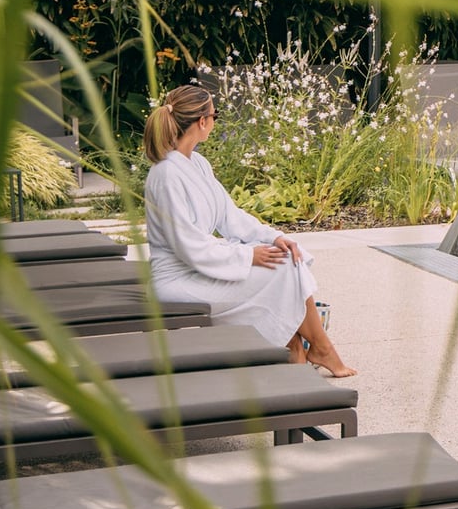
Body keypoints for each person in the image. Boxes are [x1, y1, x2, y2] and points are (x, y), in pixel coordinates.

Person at [141, 84, 356, 377]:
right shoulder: (165, 175)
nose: (215, 121)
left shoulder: (198, 164)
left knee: (287, 257)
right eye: (215, 115)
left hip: (198, 268)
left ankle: (299, 349)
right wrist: (247, 256)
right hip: (178, 282)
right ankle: (317, 348)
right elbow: (188, 245)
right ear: (202, 122)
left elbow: (229, 215)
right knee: (283, 270)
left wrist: (274, 237)